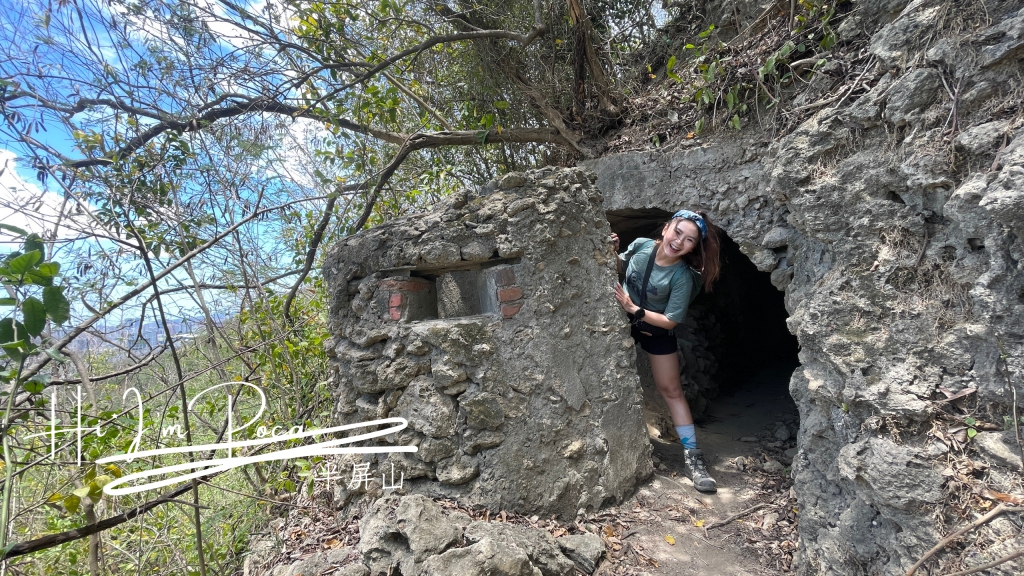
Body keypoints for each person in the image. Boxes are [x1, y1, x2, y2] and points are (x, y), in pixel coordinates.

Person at [612, 209, 721, 493]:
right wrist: (612, 252)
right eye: (677, 232)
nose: (679, 241)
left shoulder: (683, 276)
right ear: (665, 229)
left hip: (654, 329)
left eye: (689, 240)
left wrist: (633, 309)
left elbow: (671, 320)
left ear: (693, 248)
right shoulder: (641, 246)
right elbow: (620, 267)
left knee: (672, 391)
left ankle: (693, 458)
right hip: (619, 323)